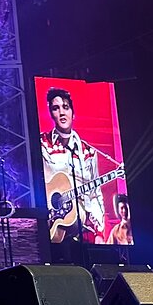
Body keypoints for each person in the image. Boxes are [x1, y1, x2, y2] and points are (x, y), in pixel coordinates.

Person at [40, 87, 105, 243]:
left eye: (66, 107)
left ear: (73, 113)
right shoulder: (42, 144)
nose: (62, 113)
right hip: (52, 220)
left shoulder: (88, 152)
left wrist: (99, 231)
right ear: (51, 114)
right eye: (56, 108)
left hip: (81, 226)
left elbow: (95, 194)